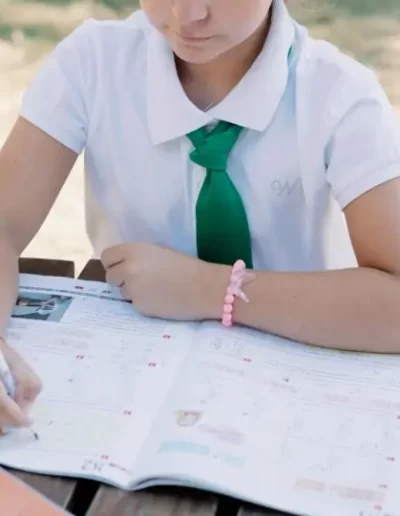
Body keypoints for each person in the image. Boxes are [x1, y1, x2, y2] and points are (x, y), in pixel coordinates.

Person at [0, 0, 399, 427]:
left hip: (294, 396)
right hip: (129, 388)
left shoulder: (339, 97)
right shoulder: (94, 63)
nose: (187, 15)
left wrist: (211, 289)